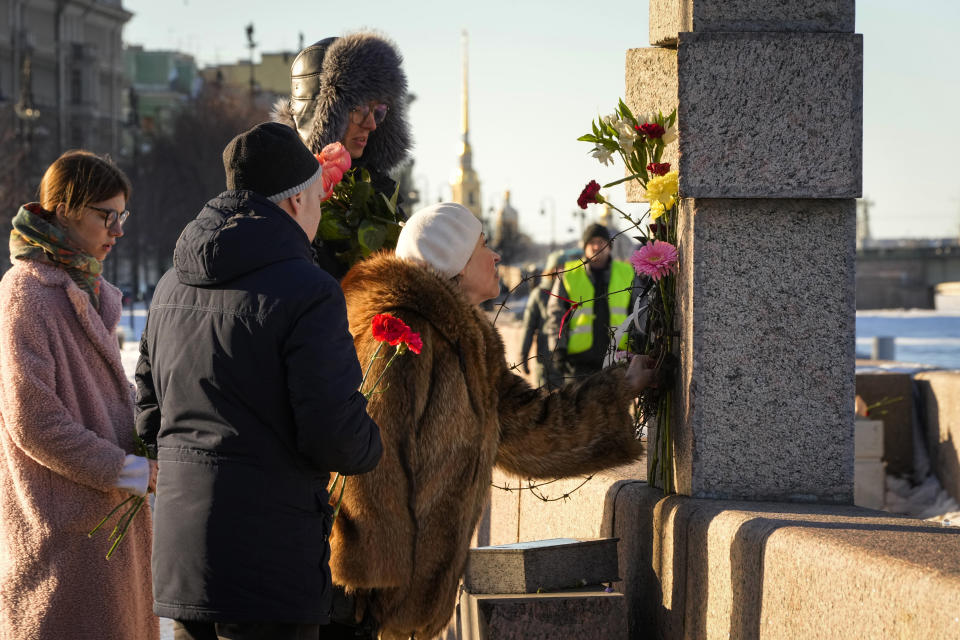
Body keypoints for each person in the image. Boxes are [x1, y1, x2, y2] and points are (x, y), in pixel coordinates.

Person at [334, 202, 656, 639]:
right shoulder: (400, 328)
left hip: (412, 596)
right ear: (457, 261)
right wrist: (375, 588)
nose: (496, 256)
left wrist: (621, 386)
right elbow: (369, 459)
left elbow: (527, 424)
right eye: (484, 245)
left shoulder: (466, 337)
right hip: (372, 602)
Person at [135, 122, 382, 640]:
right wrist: (372, 441)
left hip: (183, 559)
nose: (319, 210)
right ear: (293, 203)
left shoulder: (169, 284)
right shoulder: (308, 290)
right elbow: (333, 435)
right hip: (269, 560)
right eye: (317, 197)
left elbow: (150, 414)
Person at [0, 151, 158, 639]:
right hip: (61, 535)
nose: (118, 230)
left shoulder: (80, 285)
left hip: (100, 524)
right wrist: (128, 469)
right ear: (65, 208)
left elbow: (104, 396)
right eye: (106, 216)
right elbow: (34, 422)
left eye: (122, 216)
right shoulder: (25, 293)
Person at [273, 31, 412, 279]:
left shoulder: (381, 193)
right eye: (358, 109)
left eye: (378, 110)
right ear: (323, 115)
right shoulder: (282, 195)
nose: (372, 124)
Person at [546, 223, 642, 382]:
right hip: (578, 363)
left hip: (618, 361)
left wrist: (639, 340)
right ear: (584, 247)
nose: (596, 246)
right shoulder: (569, 274)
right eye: (591, 242)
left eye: (602, 242)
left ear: (609, 246)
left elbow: (638, 311)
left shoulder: (627, 272)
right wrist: (557, 349)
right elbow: (555, 315)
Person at [518, 251, 563, 389]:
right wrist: (523, 357)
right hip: (546, 363)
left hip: (567, 362)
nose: (563, 271)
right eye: (559, 267)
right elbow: (528, 328)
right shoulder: (539, 294)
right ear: (550, 270)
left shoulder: (575, 293)